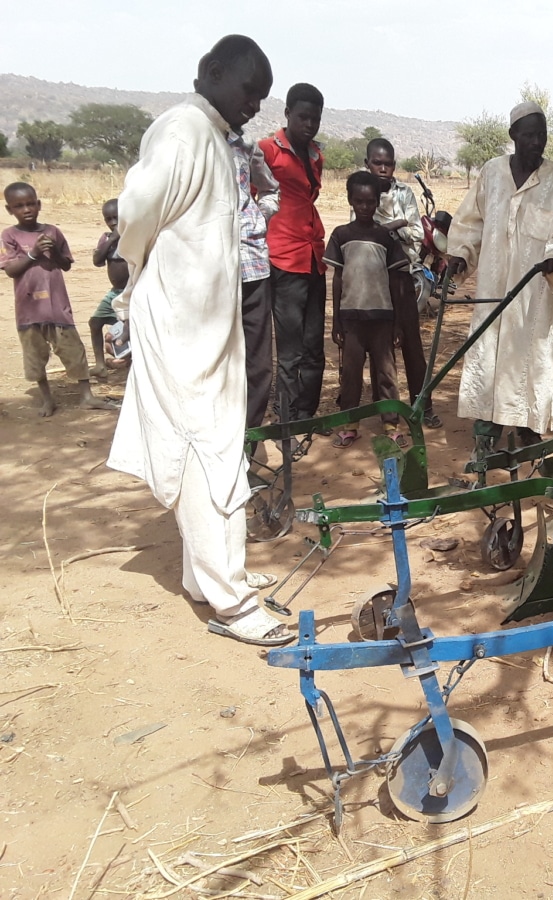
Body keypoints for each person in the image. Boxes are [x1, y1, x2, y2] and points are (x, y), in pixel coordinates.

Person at [108, 35, 291, 647]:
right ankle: (233, 604)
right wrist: (142, 278)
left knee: (218, 445)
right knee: (205, 449)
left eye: (262, 99)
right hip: (182, 325)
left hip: (212, 322)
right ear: (212, 72)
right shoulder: (182, 129)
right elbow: (135, 213)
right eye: (249, 92)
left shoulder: (214, 136)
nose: (254, 107)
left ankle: (208, 577)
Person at [445, 100, 553, 460]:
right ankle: (485, 436)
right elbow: (470, 222)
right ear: (513, 136)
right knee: (489, 356)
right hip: (493, 288)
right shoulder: (491, 173)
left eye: (542, 134)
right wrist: (460, 254)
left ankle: (527, 430)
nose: (537, 142)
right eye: (529, 135)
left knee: (530, 360)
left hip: (536, 293)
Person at [2, 182, 118, 417]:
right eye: (19, 206)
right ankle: (47, 400)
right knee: (35, 356)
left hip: (57, 307)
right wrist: (33, 253)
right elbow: (11, 270)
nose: (26, 209)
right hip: (29, 310)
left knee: (73, 350)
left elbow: (65, 265)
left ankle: (86, 396)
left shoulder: (53, 232)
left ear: (39, 204)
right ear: (9, 210)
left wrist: (53, 252)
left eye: (31, 204)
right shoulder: (9, 235)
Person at [325, 171, 409, 449]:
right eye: (359, 201)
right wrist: (336, 320)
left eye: (370, 202)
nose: (364, 207)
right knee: (350, 373)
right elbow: (337, 280)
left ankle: (391, 424)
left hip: (382, 317)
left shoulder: (385, 238)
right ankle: (350, 425)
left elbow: (396, 282)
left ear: (377, 203)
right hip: (351, 318)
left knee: (386, 373)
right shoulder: (341, 235)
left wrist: (397, 323)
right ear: (350, 200)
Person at [260, 82, 326, 423]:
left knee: (315, 345)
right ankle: (285, 418)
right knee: (290, 350)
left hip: (315, 257)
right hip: (284, 260)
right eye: (302, 117)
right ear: (287, 114)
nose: (309, 124)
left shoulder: (316, 155)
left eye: (315, 118)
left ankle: (307, 414)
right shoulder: (267, 151)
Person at [363, 137, 438, 427]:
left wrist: (385, 229)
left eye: (389, 164)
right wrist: (396, 225)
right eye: (378, 163)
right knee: (379, 346)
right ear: (367, 163)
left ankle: (423, 406)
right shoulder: (362, 192)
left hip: (402, 275)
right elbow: (360, 234)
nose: (383, 168)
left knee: (412, 345)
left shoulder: (404, 192)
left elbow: (417, 233)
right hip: (373, 279)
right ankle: (385, 410)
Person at [229, 130, 278, 432]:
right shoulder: (187, 140)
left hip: (253, 267)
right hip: (208, 274)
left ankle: (247, 443)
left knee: (258, 367)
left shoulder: (245, 146)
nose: (253, 106)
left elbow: (271, 189)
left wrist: (260, 215)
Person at [88, 198, 128, 378]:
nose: (113, 223)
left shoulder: (134, 236)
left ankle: (131, 364)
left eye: (116, 218)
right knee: (95, 323)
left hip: (131, 292)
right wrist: (112, 239)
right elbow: (97, 261)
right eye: (108, 219)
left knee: (131, 330)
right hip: (114, 291)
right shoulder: (106, 238)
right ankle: (99, 364)